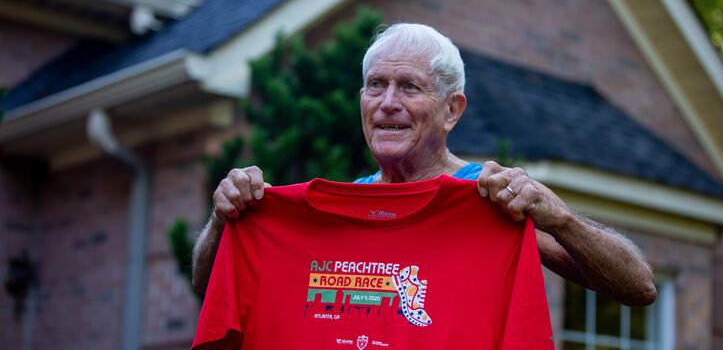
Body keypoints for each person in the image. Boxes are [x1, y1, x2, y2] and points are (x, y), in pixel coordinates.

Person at [192, 23, 657, 306]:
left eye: (409, 87)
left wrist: (561, 219)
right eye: (375, 86)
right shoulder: (341, 208)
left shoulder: (489, 201)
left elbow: (639, 287)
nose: (387, 103)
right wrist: (221, 221)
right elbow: (210, 284)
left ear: (452, 110)